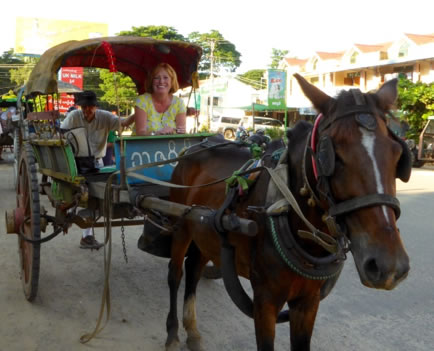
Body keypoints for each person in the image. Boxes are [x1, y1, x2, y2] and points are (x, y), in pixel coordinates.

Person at [60, 91, 128, 249]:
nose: (87, 110)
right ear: (80, 106)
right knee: (81, 194)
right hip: (75, 161)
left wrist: (138, 112)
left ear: (95, 107)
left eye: (90, 106)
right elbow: (62, 135)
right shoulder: (73, 117)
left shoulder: (105, 117)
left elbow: (123, 123)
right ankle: (83, 228)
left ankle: (87, 235)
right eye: (84, 106)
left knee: (95, 195)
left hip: (96, 163)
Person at [123, 63, 186, 135]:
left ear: (172, 81)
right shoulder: (142, 101)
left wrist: (178, 131)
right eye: (156, 78)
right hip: (143, 145)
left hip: (170, 146)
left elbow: (181, 133)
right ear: (151, 81)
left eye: (165, 77)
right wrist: (157, 133)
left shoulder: (179, 103)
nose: (161, 81)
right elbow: (140, 132)